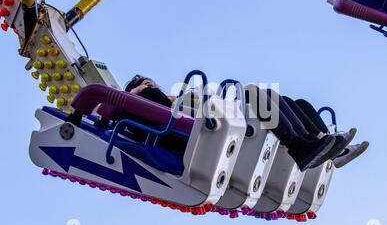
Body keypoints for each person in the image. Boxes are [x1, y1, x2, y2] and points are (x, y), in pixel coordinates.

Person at [123, 75, 368, 171]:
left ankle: (324, 145)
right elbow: (116, 106)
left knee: (295, 101)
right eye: (145, 83)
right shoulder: (148, 102)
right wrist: (137, 91)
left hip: (219, 119)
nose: (150, 85)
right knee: (252, 92)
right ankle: (300, 146)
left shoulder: (176, 100)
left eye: (151, 82)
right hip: (209, 130)